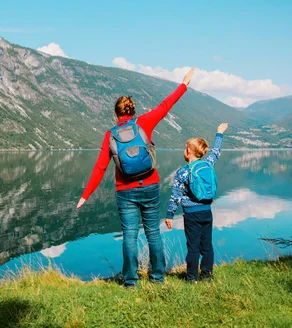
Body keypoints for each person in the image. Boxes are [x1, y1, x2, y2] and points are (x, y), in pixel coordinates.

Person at [76, 68, 195, 287]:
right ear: (132, 111)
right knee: (153, 233)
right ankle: (157, 278)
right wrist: (184, 84)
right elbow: (166, 105)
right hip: (150, 186)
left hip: (125, 191)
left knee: (129, 236)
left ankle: (130, 281)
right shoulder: (144, 123)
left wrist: (85, 195)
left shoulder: (110, 134)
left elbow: (100, 167)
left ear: (116, 114)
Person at [164, 122, 229, 282]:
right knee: (207, 246)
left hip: (191, 215)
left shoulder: (183, 172)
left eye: (186, 148)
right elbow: (216, 152)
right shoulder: (207, 164)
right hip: (207, 211)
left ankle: (191, 277)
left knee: (193, 247)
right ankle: (207, 276)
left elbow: (176, 196)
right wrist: (219, 133)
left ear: (189, 151)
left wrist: (169, 215)